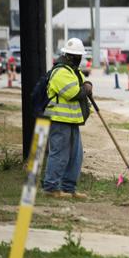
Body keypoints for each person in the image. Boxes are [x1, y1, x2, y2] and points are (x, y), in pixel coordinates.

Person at [42, 38, 93, 199]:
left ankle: (68, 188)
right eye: (77, 56)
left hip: (72, 121)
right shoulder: (60, 72)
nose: (79, 59)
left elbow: (84, 83)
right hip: (59, 120)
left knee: (75, 156)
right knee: (59, 154)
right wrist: (85, 88)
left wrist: (87, 85)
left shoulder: (72, 71)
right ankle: (51, 188)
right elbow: (74, 92)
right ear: (69, 56)